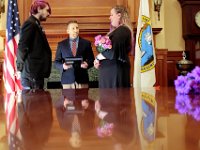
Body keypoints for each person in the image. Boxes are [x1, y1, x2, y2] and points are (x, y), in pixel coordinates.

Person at [94, 5, 133, 88]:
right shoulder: (119, 30)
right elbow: (109, 49)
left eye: (111, 15)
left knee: (115, 98)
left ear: (119, 15)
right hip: (111, 71)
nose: (109, 17)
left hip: (115, 72)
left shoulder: (123, 30)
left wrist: (98, 58)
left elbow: (113, 51)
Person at [16, 0, 52, 89]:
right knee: (33, 102)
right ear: (39, 9)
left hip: (36, 74)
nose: (49, 14)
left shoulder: (35, 24)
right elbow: (22, 47)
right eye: (47, 10)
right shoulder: (30, 24)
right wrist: (19, 68)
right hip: (31, 75)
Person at [54, 20, 94, 89]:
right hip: (67, 81)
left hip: (82, 80)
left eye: (77, 28)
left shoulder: (86, 43)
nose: (76, 30)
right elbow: (56, 62)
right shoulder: (61, 44)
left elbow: (91, 59)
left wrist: (87, 64)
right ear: (68, 31)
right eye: (73, 28)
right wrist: (62, 66)